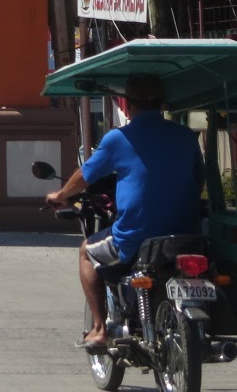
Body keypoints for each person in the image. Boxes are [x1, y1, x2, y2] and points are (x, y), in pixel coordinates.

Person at [45, 74, 203, 354]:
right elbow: (198, 180)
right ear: (161, 104)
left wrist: (60, 195)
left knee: (85, 251)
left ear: (127, 106)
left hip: (136, 237)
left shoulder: (119, 138)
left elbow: (86, 175)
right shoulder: (186, 136)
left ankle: (99, 329)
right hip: (186, 234)